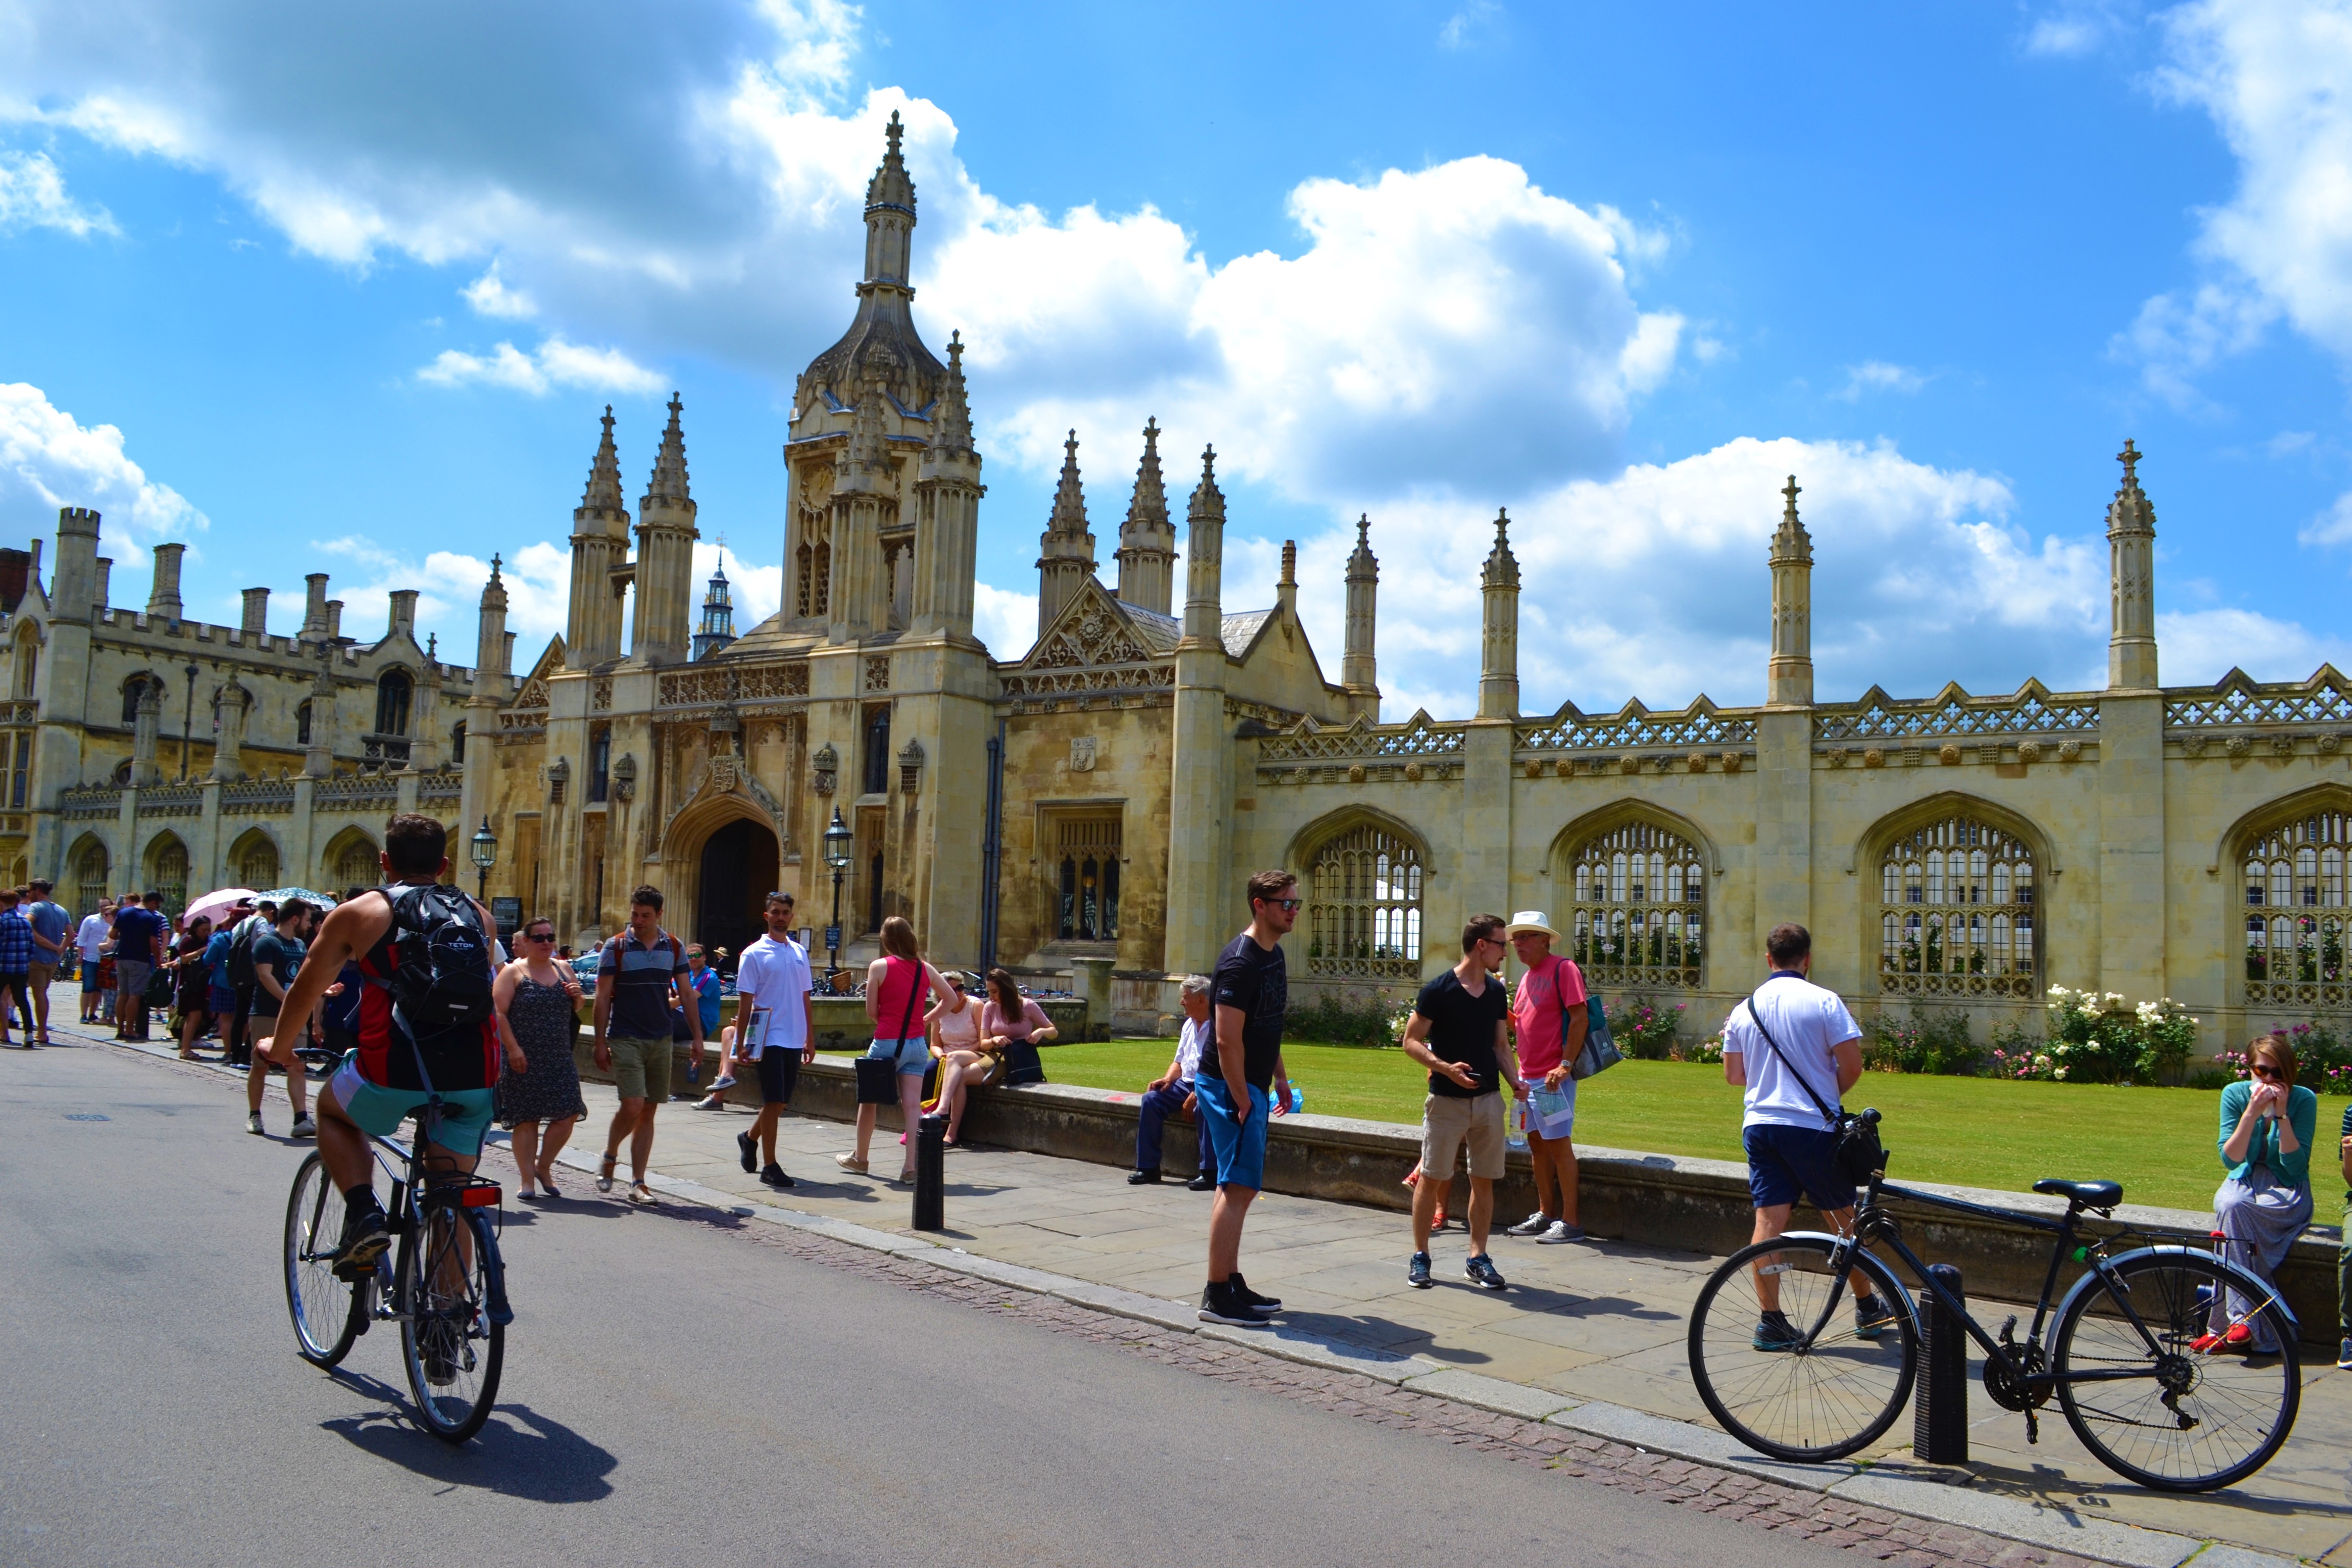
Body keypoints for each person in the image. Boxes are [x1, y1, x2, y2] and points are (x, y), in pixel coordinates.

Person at [270, 814, 504, 1287]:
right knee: (451, 1195)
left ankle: (364, 1216)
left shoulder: (360, 912)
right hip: (474, 1074)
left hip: (394, 1067)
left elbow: (306, 987)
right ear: (444, 864)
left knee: (332, 1111)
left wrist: (278, 1046)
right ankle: (445, 1333)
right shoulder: (479, 916)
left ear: (384, 862)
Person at [1721, 922, 1894, 1352]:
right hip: (1810, 1128)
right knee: (1842, 1220)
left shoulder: (1745, 1008)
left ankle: (1772, 1320)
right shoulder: (1824, 1002)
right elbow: (1852, 1066)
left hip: (1760, 1125)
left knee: (1768, 1225)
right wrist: (1822, 1097)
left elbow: (1733, 1075)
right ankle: (1867, 1306)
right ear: (1808, 959)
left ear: (1768, 959)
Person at [1196, 869, 1298, 1327]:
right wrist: (1242, 1098)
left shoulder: (1272, 956)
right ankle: (1217, 1295)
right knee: (1237, 1188)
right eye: (1285, 904)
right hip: (1229, 1087)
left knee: (1238, 1186)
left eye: (1296, 903)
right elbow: (1226, 1040)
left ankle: (1231, 1280)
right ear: (1260, 904)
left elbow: (1268, 1024)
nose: (1293, 911)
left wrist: (1279, 1077)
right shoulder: (1241, 962)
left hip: (1252, 1086)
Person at [1399, 914, 1522, 1291]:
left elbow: (1500, 1046)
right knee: (1433, 1180)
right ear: (1482, 944)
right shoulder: (1439, 990)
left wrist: (1515, 1082)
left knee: (1483, 1182)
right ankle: (1421, 1256)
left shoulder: (1496, 992)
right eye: (1501, 944)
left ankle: (1477, 1257)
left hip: (1488, 1102)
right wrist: (1445, 1068)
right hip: (1446, 1102)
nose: (1506, 951)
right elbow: (1411, 1041)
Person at [592, 885, 703, 1206]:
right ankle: (610, 1155)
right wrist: (600, 1042)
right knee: (633, 1105)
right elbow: (601, 998)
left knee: (649, 1112)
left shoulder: (674, 946)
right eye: (635, 915)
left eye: (645, 916)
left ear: (659, 915)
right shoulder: (616, 947)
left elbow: (686, 994)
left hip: (661, 1037)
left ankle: (639, 1182)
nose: (638, 921)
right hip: (626, 1035)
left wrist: (697, 1037)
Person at [2210, 1032, 2315, 1356]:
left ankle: (2225, 1326)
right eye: (2261, 1071)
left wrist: (2281, 1116)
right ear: (2250, 1069)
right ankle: (2244, 1323)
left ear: (2289, 1073)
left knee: (2233, 1227)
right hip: (2244, 1178)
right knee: (2231, 1205)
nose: (2268, 1079)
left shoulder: (2304, 1099)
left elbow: (2296, 1167)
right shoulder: (2235, 1094)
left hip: (2285, 1187)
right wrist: (2252, 1113)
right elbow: (2231, 1159)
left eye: (2277, 1073)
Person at [837, 915, 956, 1183]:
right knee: (913, 1107)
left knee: (868, 1101)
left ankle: (861, 1158)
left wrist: (891, 1022)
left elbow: (871, 1011)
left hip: (886, 1042)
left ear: (886, 940)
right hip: (916, 1044)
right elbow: (949, 998)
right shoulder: (924, 968)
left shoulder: (879, 967)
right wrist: (926, 1019)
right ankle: (911, 1168)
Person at [1503, 911, 1588, 1244]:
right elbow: (1521, 1025)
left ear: (1544, 939)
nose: (1518, 944)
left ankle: (1571, 1222)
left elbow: (1579, 1019)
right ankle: (1546, 1213)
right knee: (1537, 1146)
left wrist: (1565, 1065)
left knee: (1557, 1144)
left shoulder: (1563, 969)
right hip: (1528, 1078)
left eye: (1526, 937)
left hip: (1552, 1079)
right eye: (1515, 939)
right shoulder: (1526, 979)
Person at [494, 916, 587, 1200]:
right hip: (522, 1055)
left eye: (550, 937)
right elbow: (497, 1013)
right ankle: (526, 1181)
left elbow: (577, 1007)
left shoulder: (563, 968)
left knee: (569, 1113)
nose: (547, 943)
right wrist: (513, 1049)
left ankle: (543, 1166)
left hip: (558, 1054)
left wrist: (578, 996)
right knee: (526, 1119)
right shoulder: (512, 972)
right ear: (527, 941)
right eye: (539, 938)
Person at [730, 892, 815, 1189]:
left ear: (792, 916)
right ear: (767, 916)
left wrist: (810, 1037)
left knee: (780, 1103)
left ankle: (749, 1138)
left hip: (794, 1035)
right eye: (775, 912)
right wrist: (741, 1042)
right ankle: (770, 1166)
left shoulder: (799, 953)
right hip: (768, 1037)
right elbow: (745, 1002)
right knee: (773, 1099)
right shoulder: (753, 954)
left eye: (786, 912)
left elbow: (805, 997)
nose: (781, 917)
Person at [244, 899, 320, 1138]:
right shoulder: (267, 943)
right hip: (267, 1013)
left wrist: (322, 993)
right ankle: (255, 1115)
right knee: (261, 1065)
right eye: (308, 920)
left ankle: (300, 1118)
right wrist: (289, 1001)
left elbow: (304, 980)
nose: (309, 925)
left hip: (295, 1016)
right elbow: (265, 976)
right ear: (295, 919)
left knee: (297, 1065)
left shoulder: (300, 945)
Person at [1131, 974, 1215, 1186]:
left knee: (1203, 1109)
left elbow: (1220, 1068)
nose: (1181, 1002)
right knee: (1151, 1099)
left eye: (1185, 997)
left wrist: (1198, 1093)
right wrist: (1168, 1079)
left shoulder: (1218, 1026)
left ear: (1201, 1000)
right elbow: (1179, 1061)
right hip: (1183, 1084)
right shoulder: (1188, 1025)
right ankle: (1148, 1168)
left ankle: (1210, 1172)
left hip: (1210, 1083)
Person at [928, 972, 990, 1148]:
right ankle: (920, 1125)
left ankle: (946, 1118)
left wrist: (957, 1056)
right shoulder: (940, 1010)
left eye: (960, 988)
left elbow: (982, 1040)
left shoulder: (975, 1005)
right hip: (947, 1058)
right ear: (940, 993)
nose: (957, 993)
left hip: (974, 1052)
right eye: (951, 990)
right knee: (923, 1075)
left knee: (956, 1066)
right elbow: (934, 1044)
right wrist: (941, 1056)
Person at [979, 966, 1058, 1086]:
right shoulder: (990, 1007)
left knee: (963, 1076)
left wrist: (1042, 1031)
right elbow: (983, 1045)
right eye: (989, 992)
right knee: (957, 1067)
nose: (991, 997)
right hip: (996, 1056)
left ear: (1006, 989)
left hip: (1019, 1060)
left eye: (994, 992)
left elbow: (1053, 1032)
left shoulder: (1027, 1006)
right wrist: (994, 1040)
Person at [222, 900, 275, 1068]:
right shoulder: (261, 922)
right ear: (270, 912)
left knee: (240, 1016)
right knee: (255, 1016)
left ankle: (235, 1055)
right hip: (253, 974)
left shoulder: (240, 924)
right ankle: (247, 1056)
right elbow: (262, 941)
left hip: (239, 974)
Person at [111, 889, 167, 1039]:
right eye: (157, 906)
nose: (157, 909)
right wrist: (158, 959)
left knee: (122, 994)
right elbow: (154, 943)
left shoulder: (124, 913)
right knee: (135, 996)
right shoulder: (152, 918)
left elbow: (112, 935)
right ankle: (130, 1030)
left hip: (122, 957)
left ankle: (120, 1030)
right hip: (140, 959)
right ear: (153, 902)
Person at [24, 878, 70, 1045]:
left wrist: (46, 944)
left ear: (37, 891)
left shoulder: (36, 907)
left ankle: (42, 1032)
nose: (28, 895)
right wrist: (60, 949)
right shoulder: (61, 910)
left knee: (39, 995)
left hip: (37, 957)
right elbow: (71, 935)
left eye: (30, 891)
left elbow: (26, 923)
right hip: (53, 960)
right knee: (42, 994)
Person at [169, 915, 215, 1060]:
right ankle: (185, 1049)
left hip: (202, 982)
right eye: (203, 930)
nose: (206, 932)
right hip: (189, 983)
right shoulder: (188, 941)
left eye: (208, 930)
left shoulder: (208, 940)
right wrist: (202, 951)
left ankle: (187, 1046)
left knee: (197, 1016)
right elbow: (183, 959)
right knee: (194, 1015)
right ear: (196, 928)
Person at [0, 889, 34, 1047]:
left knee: (1, 999)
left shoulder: (2, 921)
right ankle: (28, 1033)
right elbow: (31, 947)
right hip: (21, 969)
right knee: (22, 1000)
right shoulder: (25, 921)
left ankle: (4, 1033)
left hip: (4, 966)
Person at [77, 899, 113, 1023]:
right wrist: (80, 956)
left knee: (99, 988)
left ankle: (92, 1014)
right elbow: (81, 940)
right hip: (90, 958)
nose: (103, 908)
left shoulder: (113, 922)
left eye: (106, 906)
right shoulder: (90, 920)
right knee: (88, 986)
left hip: (106, 959)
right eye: (101, 906)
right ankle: (83, 1014)